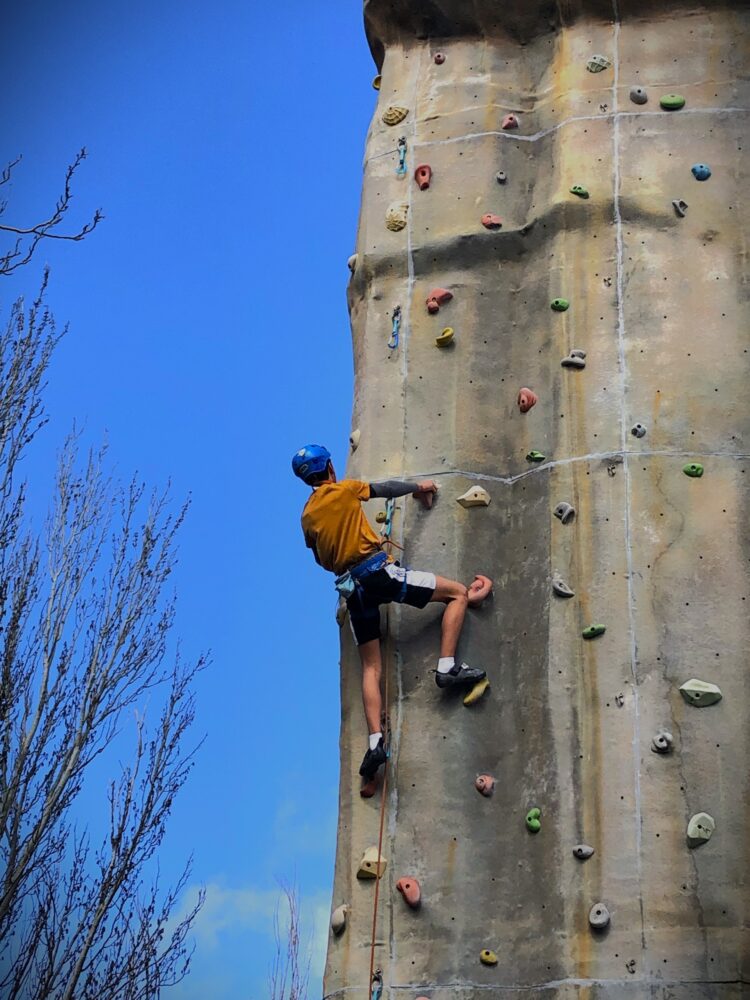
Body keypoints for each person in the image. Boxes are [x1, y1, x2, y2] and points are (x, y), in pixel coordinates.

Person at [293, 444, 491, 781]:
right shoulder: (344, 490)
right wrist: (420, 487)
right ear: (328, 468)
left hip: (350, 589)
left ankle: (375, 743)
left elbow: (321, 559)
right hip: (377, 573)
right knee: (457, 593)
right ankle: (448, 667)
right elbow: (384, 490)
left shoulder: (307, 516)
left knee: (371, 666)